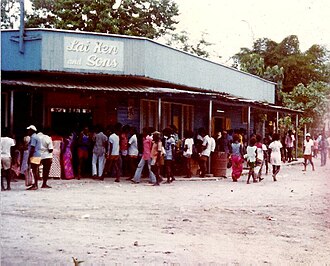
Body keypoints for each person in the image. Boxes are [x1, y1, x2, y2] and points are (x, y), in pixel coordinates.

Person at [26, 125, 42, 190]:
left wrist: (29, 157)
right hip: (38, 155)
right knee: (35, 170)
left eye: (29, 130)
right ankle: (35, 184)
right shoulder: (36, 137)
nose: (28, 132)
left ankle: (35, 185)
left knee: (34, 170)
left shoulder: (33, 137)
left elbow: (32, 148)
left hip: (34, 155)